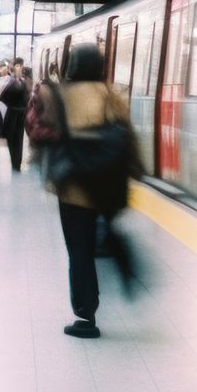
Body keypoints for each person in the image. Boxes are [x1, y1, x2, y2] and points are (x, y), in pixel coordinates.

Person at [45, 43, 142, 338]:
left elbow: (46, 134)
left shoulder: (60, 96)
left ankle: (86, 316)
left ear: (71, 66)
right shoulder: (114, 96)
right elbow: (128, 139)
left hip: (73, 186)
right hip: (107, 185)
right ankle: (122, 267)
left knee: (79, 252)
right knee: (103, 235)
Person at [0, 58, 32, 173]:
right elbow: (2, 96)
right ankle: (13, 166)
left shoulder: (22, 81)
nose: (22, 68)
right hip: (13, 114)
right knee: (13, 141)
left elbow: (25, 95)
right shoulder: (10, 81)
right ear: (17, 66)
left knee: (17, 142)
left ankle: (16, 166)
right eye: (21, 66)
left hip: (18, 114)